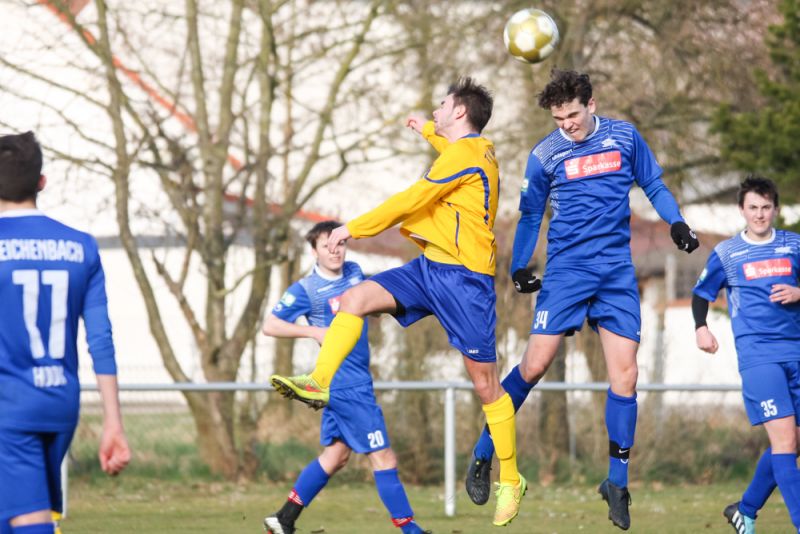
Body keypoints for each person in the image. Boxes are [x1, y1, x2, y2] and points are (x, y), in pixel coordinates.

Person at [270, 77, 526, 527]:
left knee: (486, 385)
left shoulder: (465, 155)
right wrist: (424, 128)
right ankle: (320, 381)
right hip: (430, 269)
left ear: (460, 112)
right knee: (354, 298)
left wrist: (352, 228)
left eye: (442, 105)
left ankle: (510, 477)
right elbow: (446, 144)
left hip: (466, 282)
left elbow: (410, 200)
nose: (436, 109)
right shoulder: (469, 149)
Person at [464, 69, 700, 531]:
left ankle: (617, 483)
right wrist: (518, 266)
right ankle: (484, 451)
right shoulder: (545, 154)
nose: (567, 125)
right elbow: (530, 214)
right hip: (567, 273)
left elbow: (653, 185)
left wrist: (676, 222)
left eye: (572, 115)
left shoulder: (624, 137)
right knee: (534, 366)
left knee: (626, 375)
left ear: (591, 104)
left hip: (615, 272)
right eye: (558, 119)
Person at [0, 132, 130, 534]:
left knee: (29, 519)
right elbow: (101, 340)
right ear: (41, 182)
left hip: (9, 408)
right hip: (60, 404)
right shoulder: (81, 247)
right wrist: (113, 422)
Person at [262, 221, 429, 534]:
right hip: (345, 384)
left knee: (336, 455)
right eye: (326, 246)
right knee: (383, 455)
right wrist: (313, 331)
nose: (335, 251)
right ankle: (410, 530)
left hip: (354, 380)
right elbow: (270, 325)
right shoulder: (306, 289)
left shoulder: (354, 272)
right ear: (314, 251)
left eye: (339, 244)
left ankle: (283, 519)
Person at [694, 176, 800, 534]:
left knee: (793, 443)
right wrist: (701, 327)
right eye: (753, 207)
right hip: (758, 356)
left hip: (796, 352)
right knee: (784, 442)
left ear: (776, 209)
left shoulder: (794, 245)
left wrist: (799, 293)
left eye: (766, 207)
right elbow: (701, 293)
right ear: (742, 210)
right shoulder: (727, 253)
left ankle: (745, 509)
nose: (760, 214)